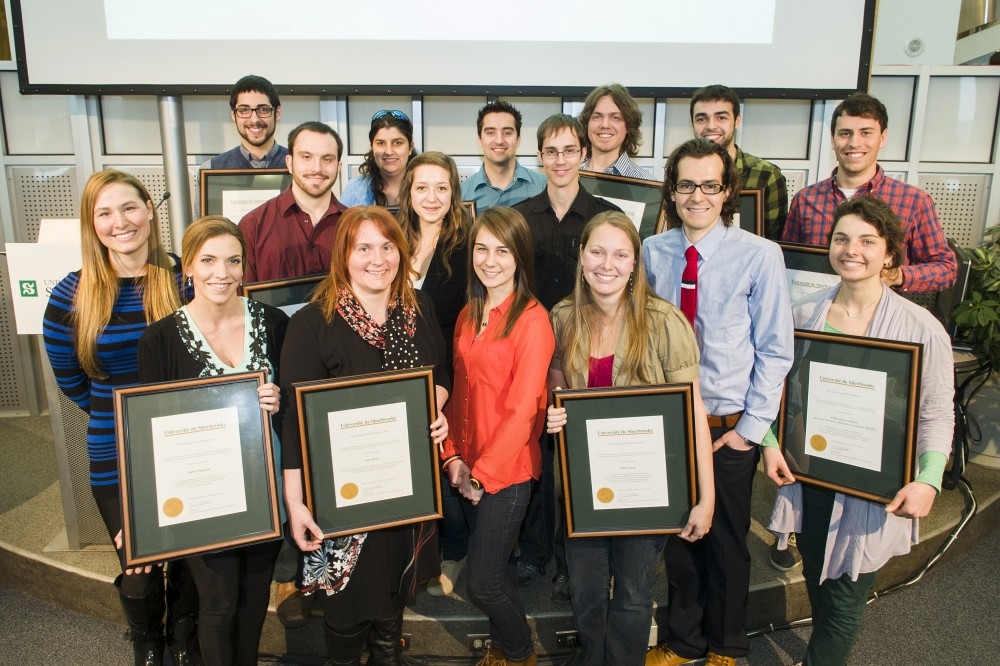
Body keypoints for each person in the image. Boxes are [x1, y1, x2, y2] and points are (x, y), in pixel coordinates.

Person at [768, 196, 955, 666]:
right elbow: (773, 391)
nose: (852, 250)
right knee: (817, 575)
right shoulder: (801, 314)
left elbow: (937, 412)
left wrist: (929, 479)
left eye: (868, 241)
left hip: (873, 487)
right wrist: (770, 444)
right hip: (808, 474)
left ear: (890, 253)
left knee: (847, 597)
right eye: (842, 238)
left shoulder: (921, 328)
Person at [642, 139, 794, 666]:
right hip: (671, 427)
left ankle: (727, 646)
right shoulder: (652, 252)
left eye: (710, 185)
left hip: (728, 427)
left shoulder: (759, 255)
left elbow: (776, 350)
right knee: (680, 541)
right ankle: (684, 642)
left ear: (726, 191)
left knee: (727, 544)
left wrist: (750, 431)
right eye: (686, 185)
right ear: (672, 189)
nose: (698, 196)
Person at [279, 206, 450, 666]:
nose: (378, 259)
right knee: (348, 603)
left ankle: (388, 654)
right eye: (364, 248)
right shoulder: (313, 324)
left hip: (407, 485)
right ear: (344, 255)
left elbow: (442, 370)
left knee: (395, 590)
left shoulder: (419, 307)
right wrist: (295, 504)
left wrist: (437, 406)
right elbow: (295, 423)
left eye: (388, 246)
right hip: (344, 498)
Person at [544, 211, 715, 666]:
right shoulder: (561, 318)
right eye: (597, 251)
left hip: (645, 489)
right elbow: (556, 392)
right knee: (585, 592)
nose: (608, 264)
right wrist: (553, 414)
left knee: (635, 595)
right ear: (581, 257)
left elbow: (693, 412)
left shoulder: (665, 323)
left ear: (636, 263)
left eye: (621, 254)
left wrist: (706, 497)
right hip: (584, 489)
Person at [42, 168, 196, 666]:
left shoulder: (184, 281)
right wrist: (124, 418)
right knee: (140, 564)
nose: (120, 222)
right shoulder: (71, 295)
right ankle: (148, 646)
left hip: (187, 445)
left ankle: (182, 642)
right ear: (92, 224)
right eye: (103, 213)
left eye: (129, 207)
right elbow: (73, 382)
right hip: (117, 454)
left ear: (150, 209)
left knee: (192, 562)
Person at [138, 217, 286, 666]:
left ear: (245, 267)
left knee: (256, 596)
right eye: (208, 260)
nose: (221, 272)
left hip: (268, 488)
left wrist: (281, 401)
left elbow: (300, 407)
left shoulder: (275, 323)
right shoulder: (160, 339)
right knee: (219, 603)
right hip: (205, 495)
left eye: (233, 260)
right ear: (188, 266)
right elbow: (152, 432)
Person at [441, 206, 555, 666]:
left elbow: (523, 410)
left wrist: (481, 476)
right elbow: (459, 391)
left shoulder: (533, 321)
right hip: (467, 465)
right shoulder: (469, 313)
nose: (490, 260)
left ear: (520, 257)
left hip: (505, 475)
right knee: (497, 569)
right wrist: (452, 456)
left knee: (482, 581)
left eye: (502, 250)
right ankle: (507, 649)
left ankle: (521, 651)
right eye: (482, 249)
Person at [514, 113, 619, 601]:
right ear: (539, 158)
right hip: (531, 352)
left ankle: (570, 556)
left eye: (568, 150)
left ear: (582, 154)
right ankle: (535, 551)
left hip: (587, 351)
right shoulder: (521, 216)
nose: (560, 160)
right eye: (550, 151)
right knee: (534, 450)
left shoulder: (604, 214)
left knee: (578, 458)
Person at [782, 92, 957, 293]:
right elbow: (788, 262)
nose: (854, 143)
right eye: (845, 133)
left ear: (882, 138)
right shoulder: (806, 199)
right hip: (817, 315)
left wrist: (897, 275)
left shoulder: (914, 201)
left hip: (880, 317)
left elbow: (946, 269)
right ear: (833, 140)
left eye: (866, 132)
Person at [397, 152, 471, 597]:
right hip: (398, 373)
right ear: (408, 192)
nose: (432, 196)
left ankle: (454, 550)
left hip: (450, 370)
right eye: (422, 187)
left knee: (448, 464)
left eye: (441, 187)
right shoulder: (391, 239)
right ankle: (414, 555)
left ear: (453, 194)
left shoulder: (466, 247)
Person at [238, 121, 346, 283]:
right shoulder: (253, 226)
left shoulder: (355, 225)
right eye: (306, 157)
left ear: (338, 167)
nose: (317, 168)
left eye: (327, 159)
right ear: (289, 163)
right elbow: (243, 299)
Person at [690, 84, 788, 240]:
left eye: (721, 117)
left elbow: (775, 243)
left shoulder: (766, 176)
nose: (710, 126)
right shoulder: (681, 173)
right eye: (701, 119)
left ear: (737, 121)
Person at [461, 100, 546, 210]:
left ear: (518, 140)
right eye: (490, 133)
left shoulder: (543, 188)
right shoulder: (461, 194)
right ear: (480, 140)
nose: (499, 140)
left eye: (507, 133)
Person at [204, 74, 288, 169]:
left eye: (263, 109)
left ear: (277, 113)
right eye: (244, 110)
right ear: (233, 115)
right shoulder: (211, 168)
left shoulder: (299, 164)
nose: (254, 120)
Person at [341, 110, 417, 206]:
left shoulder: (429, 186)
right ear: (372, 147)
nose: (388, 152)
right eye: (380, 143)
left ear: (410, 147)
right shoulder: (354, 189)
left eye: (397, 143)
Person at [579, 84, 647, 179]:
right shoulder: (570, 175)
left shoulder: (646, 185)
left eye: (615, 117)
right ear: (587, 123)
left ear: (628, 126)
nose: (605, 125)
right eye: (597, 117)